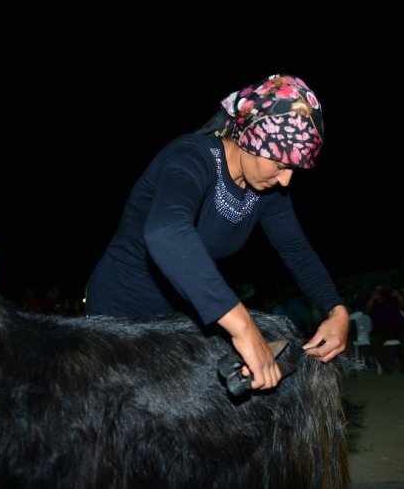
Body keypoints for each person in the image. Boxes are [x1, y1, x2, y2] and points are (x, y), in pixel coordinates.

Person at [85, 74, 349, 391]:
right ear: (253, 137)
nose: (286, 181)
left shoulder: (267, 193)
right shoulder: (191, 157)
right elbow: (166, 232)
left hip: (181, 320)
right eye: (281, 164)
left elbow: (297, 251)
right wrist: (243, 327)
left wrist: (336, 310)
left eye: (295, 169)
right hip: (120, 316)